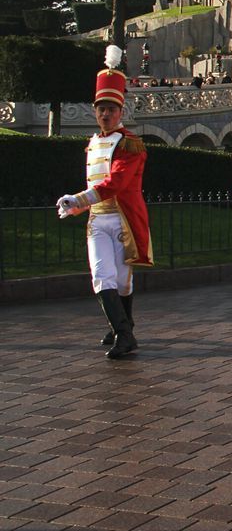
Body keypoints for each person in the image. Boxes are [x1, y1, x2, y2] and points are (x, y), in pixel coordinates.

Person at [55, 45, 152, 360]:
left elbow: (116, 184)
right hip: (97, 220)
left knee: (123, 281)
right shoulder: (93, 143)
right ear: (95, 112)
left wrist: (77, 199)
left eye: (111, 108)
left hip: (122, 220)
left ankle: (123, 324)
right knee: (102, 275)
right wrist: (78, 206)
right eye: (101, 108)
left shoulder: (131, 145)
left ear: (121, 111)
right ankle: (124, 335)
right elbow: (97, 186)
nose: (105, 114)